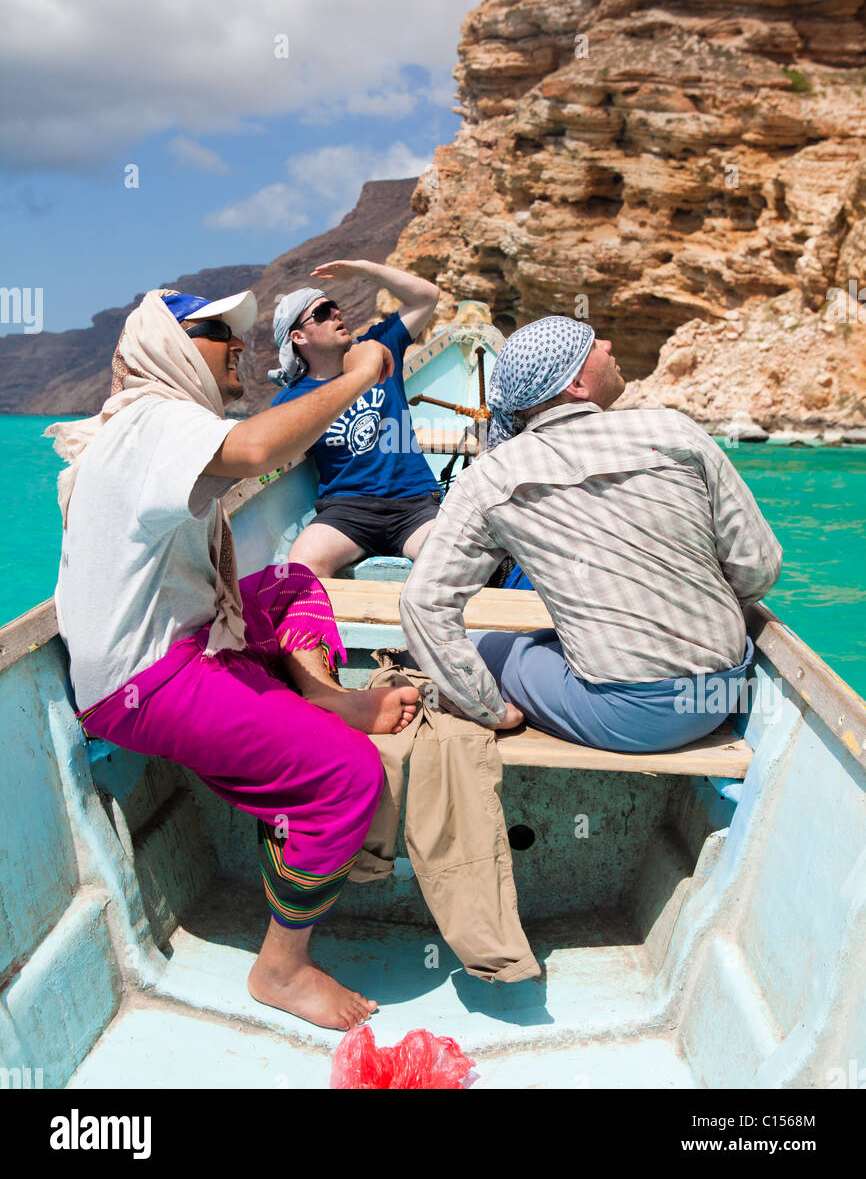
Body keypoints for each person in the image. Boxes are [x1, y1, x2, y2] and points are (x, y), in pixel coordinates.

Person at [48, 287, 420, 1033]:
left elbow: (246, 452)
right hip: (144, 683)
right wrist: (362, 375)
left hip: (173, 643)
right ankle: (280, 968)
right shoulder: (155, 418)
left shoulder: (140, 422)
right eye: (218, 333)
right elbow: (257, 448)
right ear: (173, 348)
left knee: (290, 582)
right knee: (348, 775)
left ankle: (322, 697)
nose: (238, 347)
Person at [399, 316, 783, 750]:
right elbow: (760, 567)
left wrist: (490, 710)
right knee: (548, 642)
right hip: (724, 693)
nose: (607, 341)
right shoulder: (675, 431)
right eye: (592, 344)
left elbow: (423, 604)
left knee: (450, 650)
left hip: (625, 716)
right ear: (577, 385)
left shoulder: (490, 476)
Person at [269, 259, 441, 576]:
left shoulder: (378, 349)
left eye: (334, 307)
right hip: (347, 510)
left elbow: (426, 297)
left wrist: (365, 270)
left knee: (455, 558)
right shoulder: (290, 400)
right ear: (298, 337)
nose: (336, 314)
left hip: (414, 503)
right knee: (302, 566)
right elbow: (270, 451)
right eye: (321, 314)